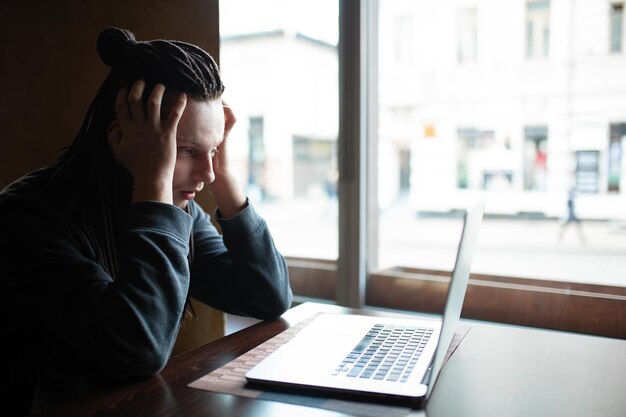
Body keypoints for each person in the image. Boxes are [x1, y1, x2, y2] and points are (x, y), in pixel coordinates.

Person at [0, 27, 292, 416]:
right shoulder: (25, 216)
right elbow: (138, 347)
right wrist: (154, 185)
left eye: (214, 149)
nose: (205, 173)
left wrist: (225, 181)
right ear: (122, 137)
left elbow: (267, 296)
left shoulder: (175, 208)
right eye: (187, 150)